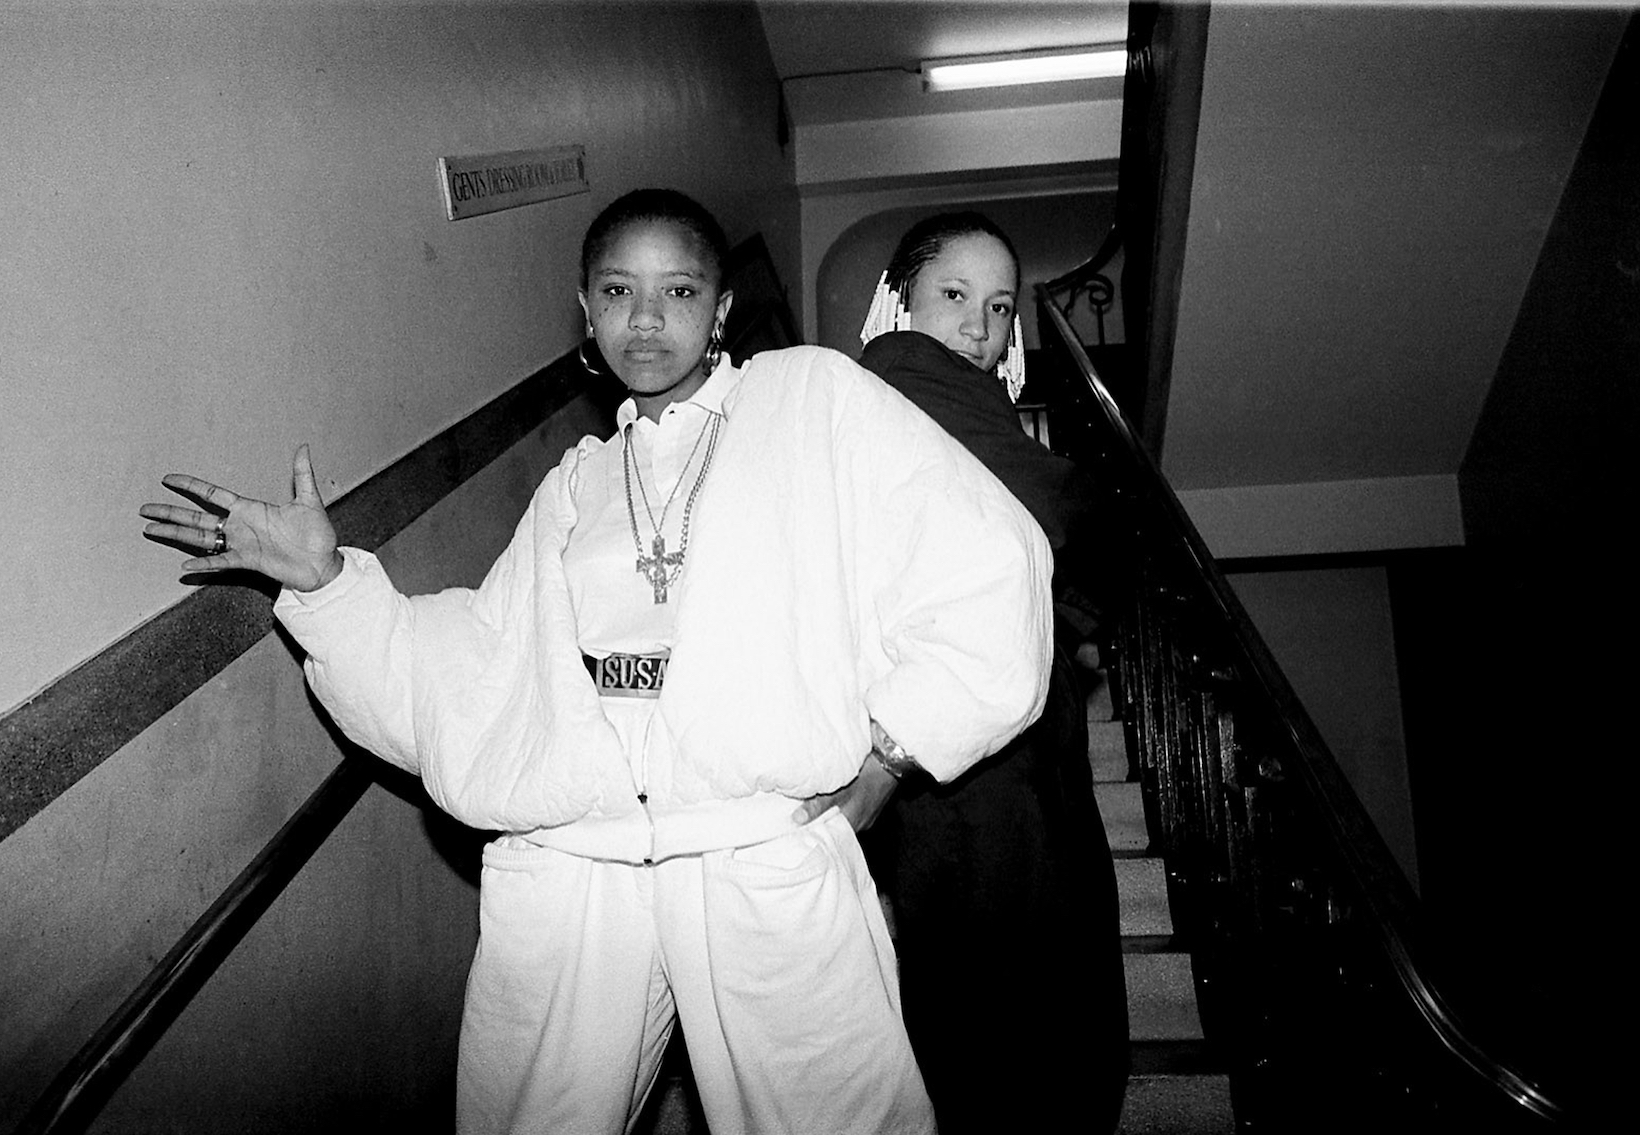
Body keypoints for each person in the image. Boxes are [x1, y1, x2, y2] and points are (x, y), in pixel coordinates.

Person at [140, 189, 1054, 1135]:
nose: (647, 318)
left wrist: (889, 755)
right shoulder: (573, 482)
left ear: (723, 310)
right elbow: (473, 668)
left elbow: (992, 562)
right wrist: (324, 581)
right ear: (587, 309)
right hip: (579, 866)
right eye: (619, 289)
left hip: (760, 855)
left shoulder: (813, 399)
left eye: (680, 289)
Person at [849, 212, 1131, 1134]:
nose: (978, 326)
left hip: (987, 737)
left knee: (1006, 976)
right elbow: (1066, 513)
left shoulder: (937, 400)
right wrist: (1101, 548)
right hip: (975, 752)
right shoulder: (904, 370)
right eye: (955, 295)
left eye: (1001, 307)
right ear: (898, 302)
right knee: (1018, 989)